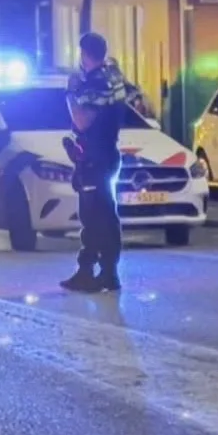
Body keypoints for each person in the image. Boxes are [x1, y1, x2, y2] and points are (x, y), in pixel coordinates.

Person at [62, 32, 132, 293]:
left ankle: (89, 272)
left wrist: (71, 92)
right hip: (108, 152)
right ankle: (108, 272)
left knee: (92, 216)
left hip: (95, 157)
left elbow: (82, 120)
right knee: (106, 214)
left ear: (84, 54)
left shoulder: (94, 83)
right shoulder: (113, 77)